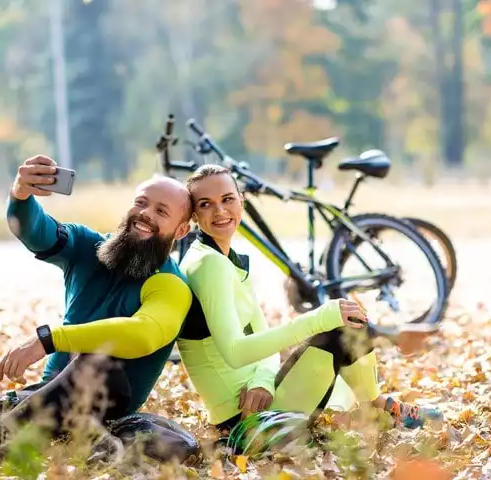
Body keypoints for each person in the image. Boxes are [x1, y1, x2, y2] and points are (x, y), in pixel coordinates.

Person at [0, 155, 194, 455]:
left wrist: (51, 339)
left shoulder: (171, 285)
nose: (145, 214)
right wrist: (20, 195)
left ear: (180, 231)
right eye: (141, 202)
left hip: (106, 409)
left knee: (97, 362)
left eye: (161, 211)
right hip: (42, 397)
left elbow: (143, 334)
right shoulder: (88, 248)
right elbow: (38, 232)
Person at [175, 164, 443, 433]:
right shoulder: (209, 265)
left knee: (347, 331)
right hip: (243, 419)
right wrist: (319, 318)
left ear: (241, 201)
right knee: (342, 328)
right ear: (195, 215)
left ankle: (378, 406)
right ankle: (379, 407)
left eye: (227, 199)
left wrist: (265, 379)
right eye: (206, 204)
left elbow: (262, 336)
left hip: (260, 397)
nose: (220, 211)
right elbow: (235, 353)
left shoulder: (221, 259)